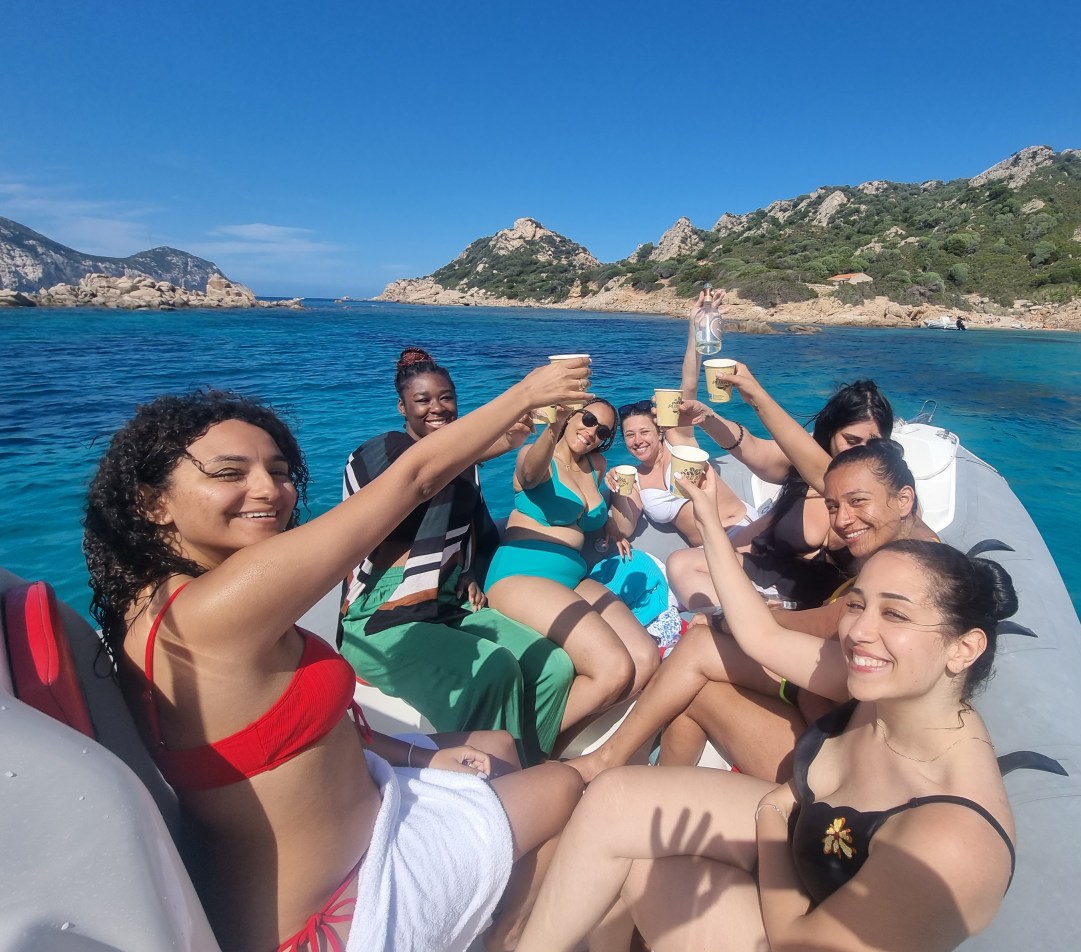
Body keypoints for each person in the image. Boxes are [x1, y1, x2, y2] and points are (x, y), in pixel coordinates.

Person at [83, 370, 587, 952]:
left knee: (495, 745)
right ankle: (509, 937)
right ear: (153, 503)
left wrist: (405, 752)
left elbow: (294, 742)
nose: (268, 491)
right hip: (339, 918)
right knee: (567, 786)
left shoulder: (163, 602)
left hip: (346, 838)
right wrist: (527, 393)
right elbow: (414, 478)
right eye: (229, 474)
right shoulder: (217, 609)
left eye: (277, 471)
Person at [515, 524, 1018, 952]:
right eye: (857, 604)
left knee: (642, 866)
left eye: (895, 614)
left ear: (964, 648)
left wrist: (772, 819)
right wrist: (708, 516)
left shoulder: (954, 841)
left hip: (799, 930)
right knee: (614, 799)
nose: (859, 631)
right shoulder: (887, 690)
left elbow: (799, 944)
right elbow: (763, 637)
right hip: (803, 854)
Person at [570, 439, 938, 784]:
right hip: (826, 696)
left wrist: (736, 618)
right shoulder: (902, 551)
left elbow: (819, 624)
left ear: (904, 499)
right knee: (696, 659)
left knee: (698, 664)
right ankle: (646, 782)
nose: (842, 520)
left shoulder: (909, 571)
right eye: (833, 506)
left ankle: (622, 766)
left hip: (847, 753)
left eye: (858, 502)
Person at [339, 347, 575, 765]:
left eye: (446, 397)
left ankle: (523, 765)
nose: (437, 408)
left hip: (446, 602)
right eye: (423, 400)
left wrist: (464, 571)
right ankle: (495, 783)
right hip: (379, 618)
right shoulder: (378, 452)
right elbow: (422, 477)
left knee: (553, 664)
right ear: (401, 407)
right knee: (495, 670)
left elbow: (461, 512)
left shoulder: (463, 464)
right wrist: (517, 401)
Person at [485, 397, 660, 747]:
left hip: (573, 577)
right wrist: (553, 425)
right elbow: (529, 474)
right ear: (571, 416)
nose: (593, 431)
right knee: (614, 667)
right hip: (521, 573)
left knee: (645, 658)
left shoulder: (596, 465)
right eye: (588, 419)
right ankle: (520, 751)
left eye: (604, 430)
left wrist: (610, 521)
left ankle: (557, 745)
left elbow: (609, 519)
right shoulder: (538, 457)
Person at [667, 369, 894, 614]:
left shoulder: (878, 493)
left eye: (873, 443)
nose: (859, 451)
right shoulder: (801, 467)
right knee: (680, 564)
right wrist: (706, 417)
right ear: (830, 434)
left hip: (808, 600)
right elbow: (750, 447)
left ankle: (749, 621)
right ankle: (745, 614)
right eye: (851, 441)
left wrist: (756, 396)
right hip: (768, 572)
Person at [608, 291, 758, 548]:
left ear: (659, 432)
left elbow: (688, 385)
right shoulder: (633, 479)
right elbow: (625, 526)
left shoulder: (678, 443)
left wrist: (695, 327)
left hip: (741, 529)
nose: (638, 441)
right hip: (706, 551)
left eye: (644, 432)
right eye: (629, 435)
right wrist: (614, 491)